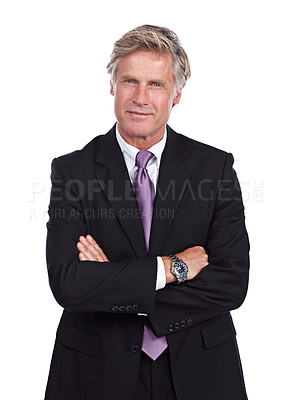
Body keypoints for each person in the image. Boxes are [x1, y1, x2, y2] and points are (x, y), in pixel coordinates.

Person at [45, 25, 250, 400]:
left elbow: (231, 283)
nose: (140, 97)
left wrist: (109, 280)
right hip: (95, 370)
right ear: (112, 86)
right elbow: (68, 283)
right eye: (130, 81)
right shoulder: (73, 172)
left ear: (176, 95)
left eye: (155, 84)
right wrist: (170, 269)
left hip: (199, 370)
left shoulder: (214, 169)